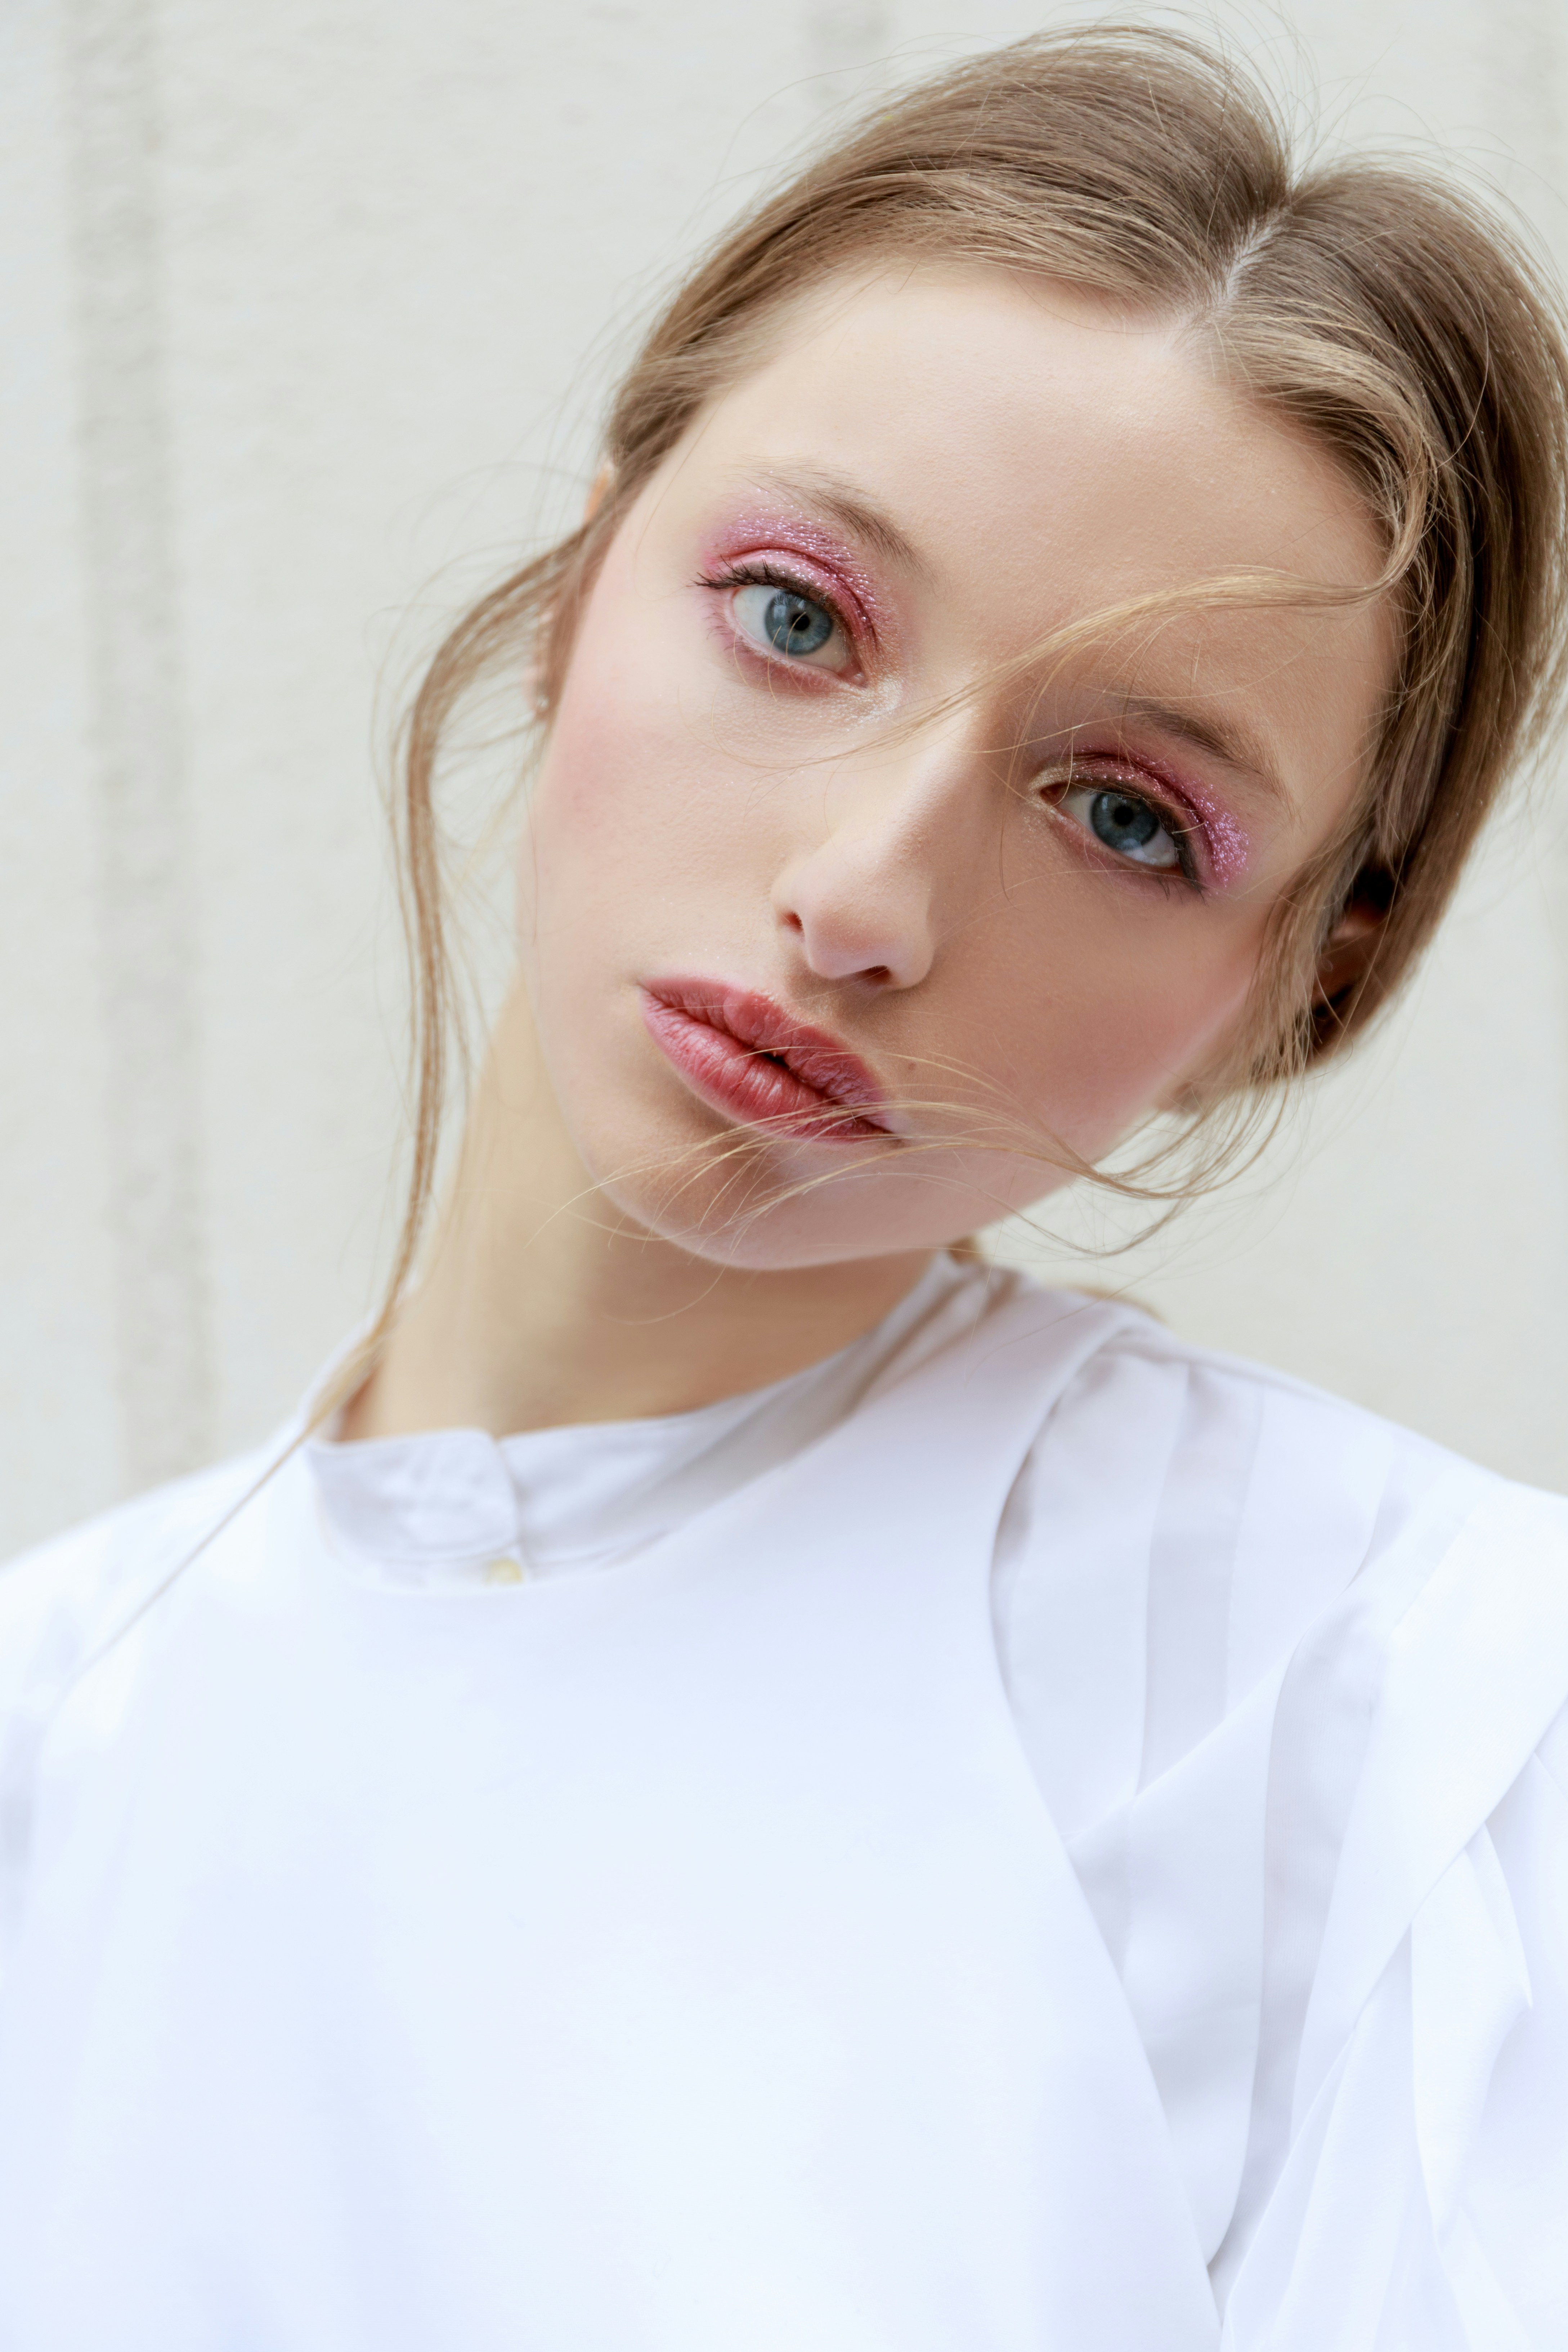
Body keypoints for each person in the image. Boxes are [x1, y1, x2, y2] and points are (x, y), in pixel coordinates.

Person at [2, 26, 1566, 2348]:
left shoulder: (1412, 1712)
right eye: (797, 616)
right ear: (578, 581)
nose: (864, 894)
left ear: (1287, 986)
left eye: (1126, 813)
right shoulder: (59, 1728)